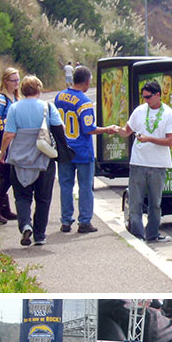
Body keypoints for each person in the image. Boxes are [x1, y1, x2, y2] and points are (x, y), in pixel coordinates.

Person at [54, 66, 119, 234]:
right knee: (84, 187)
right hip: (82, 150)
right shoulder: (84, 102)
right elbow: (88, 128)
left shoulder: (59, 97)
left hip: (64, 149)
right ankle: (84, 221)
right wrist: (107, 129)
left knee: (66, 186)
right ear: (87, 81)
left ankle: (66, 220)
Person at [0, 75, 62, 247]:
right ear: (39, 89)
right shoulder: (48, 107)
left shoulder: (14, 108)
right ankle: (40, 235)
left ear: (23, 90)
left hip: (19, 159)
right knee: (43, 198)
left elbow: (9, 134)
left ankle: (25, 225)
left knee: (22, 196)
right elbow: (60, 129)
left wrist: (3, 152)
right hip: (43, 158)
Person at [118, 79, 172, 243]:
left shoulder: (168, 114)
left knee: (155, 203)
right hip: (138, 162)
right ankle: (137, 234)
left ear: (158, 95)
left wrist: (149, 139)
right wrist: (116, 130)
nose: (145, 100)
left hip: (158, 164)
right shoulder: (139, 111)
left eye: (148, 97)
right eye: (143, 97)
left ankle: (152, 234)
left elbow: (170, 141)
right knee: (135, 201)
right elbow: (127, 131)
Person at [0, 67, 21, 225]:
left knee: (5, 173)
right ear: (5, 81)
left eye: (18, 80)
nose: (17, 83)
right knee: (7, 174)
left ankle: (4, 209)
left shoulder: (14, 97)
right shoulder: (1, 99)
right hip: (0, 141)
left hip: (9, 141)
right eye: (13, 80)